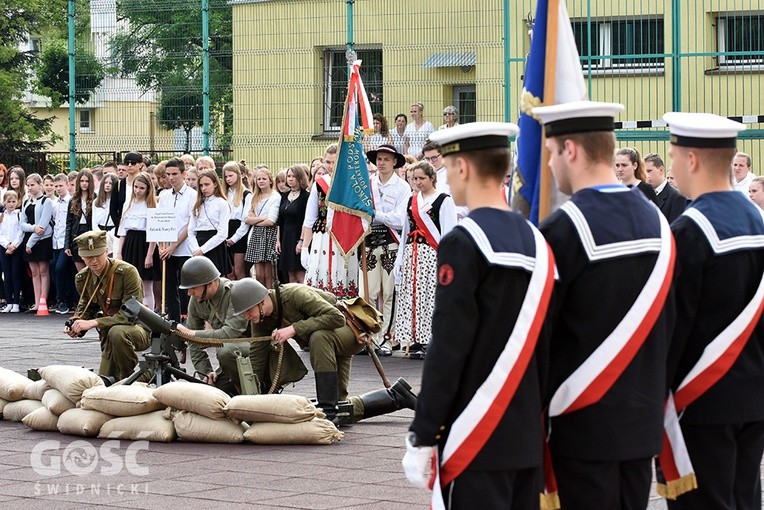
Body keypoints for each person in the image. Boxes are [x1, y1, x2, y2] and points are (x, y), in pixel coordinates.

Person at [402, 122, 554, 508]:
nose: (446, 177)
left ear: (464, 168)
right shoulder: (539, 240)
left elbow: (450, 345)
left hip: (477, 429)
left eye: (448, 167)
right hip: (527, 433)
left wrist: (424, 432)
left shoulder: (465, 241)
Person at [533, 101, 674, 509]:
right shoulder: (657, 220)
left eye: (552, 153)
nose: (551, 165)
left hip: (581, 420)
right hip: (643, 417)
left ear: (571, 151)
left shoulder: (563, 227)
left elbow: (541, 333)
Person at [660, 112, 764, 510]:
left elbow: (674, 326)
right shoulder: (753, 217)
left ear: (692, 160)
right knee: (743, 499)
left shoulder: (690, 230)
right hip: (751, 396)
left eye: (672, 156)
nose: (671, 167)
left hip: (703, 402)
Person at [229, 277, 365, 423]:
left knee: (319, 337)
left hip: (349, 332)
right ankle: (339, 408)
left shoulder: (293, 295)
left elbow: (337, 317)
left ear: (261, 301)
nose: (246, 316)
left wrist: (294, 328)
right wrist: (250, 400)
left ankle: (328, 411)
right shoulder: (261, 319)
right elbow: (258, 356)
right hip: (326, 346)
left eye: (248, 310)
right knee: (340, 404)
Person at [65, 230, 151, 381]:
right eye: (89, 257)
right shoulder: (82, 278)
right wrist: (76, 325)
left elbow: (131, 314)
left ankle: (132, 379)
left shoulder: (127, 272)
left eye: (98, 255)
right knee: (105, 380)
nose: (94, 261)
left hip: (139, 328)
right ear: (81, 256)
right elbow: (86, 308)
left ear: (107, 251)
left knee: (117, 333)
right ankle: (130, 380)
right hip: (109, 333)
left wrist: (94, 323)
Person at [393, 161, 457, 358]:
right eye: (414, 179)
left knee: (430, 297)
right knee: (413, 296)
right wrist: (400, 259)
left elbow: (449, 232)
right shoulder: (411, 201)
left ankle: (431, 339)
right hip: (413, 254)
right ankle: (415, 338)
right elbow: (405, 231)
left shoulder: (443, 200)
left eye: (422, 178)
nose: (418, 182)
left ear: (432, 178)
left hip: (432, 254)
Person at [174, 256, 250, 396]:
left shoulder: (233, 292)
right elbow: (194, 344)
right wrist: (206, 372)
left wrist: (193, 334)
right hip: (231, 361)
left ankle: (252, 390)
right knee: (213, 390)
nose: (189, 293)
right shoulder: (197, 299)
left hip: (253, 353)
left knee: (226, 351)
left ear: (209, 283)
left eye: (193, 288)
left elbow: (230, 334)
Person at [362, 144, 411, 354]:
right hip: (370, 243)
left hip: (392, 243)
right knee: (369, 292)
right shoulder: (368, 184)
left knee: (389, 292)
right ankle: (371, 335)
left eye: (386, 159)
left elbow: (400, 220)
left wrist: (376, 214)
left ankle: (387, 338)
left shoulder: (402, 187)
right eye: (379, 159)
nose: (381, 163)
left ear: (394, 162)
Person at [301, 144, 359, 298]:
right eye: (327, 162)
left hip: (344, 237)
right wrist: (305, 246)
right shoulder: (319, 184)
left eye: (334, 162)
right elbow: (310, 218)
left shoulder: (353, 182)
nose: (331, 166)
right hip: (322, 237)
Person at [157, 158, 197, 323]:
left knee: (186, 287)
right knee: (169, 288)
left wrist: (174, 246)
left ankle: (190, 321)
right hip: (166, 249)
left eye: (175, 174)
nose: (171, 178)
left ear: (184, 174)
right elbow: (159, 221)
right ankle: (173, 321)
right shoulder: (164, 195)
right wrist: (161, 245)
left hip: (184, 248)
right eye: (168, 174)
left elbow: (190, 224)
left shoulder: (192, 195)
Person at [116, 172, 160, 311]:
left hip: (145, 244)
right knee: (129, 284)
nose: (138, 190)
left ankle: (149, 318)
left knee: (146, 285)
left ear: (148, 188)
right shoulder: (128, 204)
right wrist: (119, 252)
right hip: (129, 244)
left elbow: (153, 232)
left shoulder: (152, 205)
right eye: (135, 187)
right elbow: (123, 230)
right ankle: (131, 316)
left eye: (141, 188)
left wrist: (149, 254)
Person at [20, 173, 54, 313]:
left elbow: (43, 225)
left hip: (42, 240)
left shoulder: (46, 201)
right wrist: (32, 228)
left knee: (43, 270)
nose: (30, 188)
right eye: (28, 185)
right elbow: (22, 223)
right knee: (34, 272)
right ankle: (35, 302)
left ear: (40, 185)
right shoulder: (26, 201)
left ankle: (43, 301)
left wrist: (31, 242)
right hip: (29, 238)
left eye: (32, 185)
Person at [188, 169, 231, 276]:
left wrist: (203, 250)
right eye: (201, 185)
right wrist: (196, 250)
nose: (204, 188)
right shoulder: (197, 204)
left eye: (207, 184)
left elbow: (222, 233)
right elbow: (191, 230)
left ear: (215, 184)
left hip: (214, 245)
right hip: (198, 243)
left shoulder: (222, 203)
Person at [244, 166, 280, 288]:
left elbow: (271, 221)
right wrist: (261, 218)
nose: (261, 181)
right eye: (258, 179)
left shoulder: (275, 196)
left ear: (270, 180)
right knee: (259, 274)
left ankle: (270, 297)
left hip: (269, 234)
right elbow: (247, 218)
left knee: (268, 274)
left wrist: (255, 220)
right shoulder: (255, 197)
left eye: (264, 178)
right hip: (257, 235)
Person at [277, 165, 310, 284]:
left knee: (300, 275)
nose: (290, 179)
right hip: (286, 238)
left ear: (300, 178)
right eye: (289, 176)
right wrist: (278, 241)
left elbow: (306, 221)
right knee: (290, 275)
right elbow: (280, 221)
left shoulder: (305, 197)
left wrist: (301, 241)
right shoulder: (284, 196)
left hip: (298, 237)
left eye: (294, 176)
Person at [221, 161, 252, 281]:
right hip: (226, 230)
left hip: (239, 234)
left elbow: (245, 221)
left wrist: (234, 239)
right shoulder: (224, 193)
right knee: (229, 272)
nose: (228, 179)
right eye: (226, 176)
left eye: (231, 176)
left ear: (239, 175)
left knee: (239, 271)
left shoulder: (246, 194)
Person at [51, 174, 76, 314]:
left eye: (61, 185)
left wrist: (68, 243)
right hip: (56, 241)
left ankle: (62, 299)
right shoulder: (55, 204)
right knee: (57, 269)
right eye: (56, 186)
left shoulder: (71, 202)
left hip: (66, 242)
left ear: (67, 185)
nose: (58, 188)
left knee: (60, 268)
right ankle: (63, 299)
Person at [65, 169, 95, 272]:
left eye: (87, 181)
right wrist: (67, 245)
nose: (84, 184)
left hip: (90, 234)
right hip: (76, 235)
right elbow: (69, 223)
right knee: (81, 272)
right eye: (82, 181)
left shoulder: (95, 199)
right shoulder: (73, 200)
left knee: (92, 269)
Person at [644, 152, 686, 222]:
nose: (646, 176)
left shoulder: (677, 197)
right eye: (644, 171)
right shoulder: (642, 194)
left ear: (661, 170)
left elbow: (675, 229)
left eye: (649, 171)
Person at [110, 151, 145, 235]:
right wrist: (119, 225)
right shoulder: (119, 184)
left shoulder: (146, 183)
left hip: (141, 229)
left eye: (133, 163)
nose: (129, 165)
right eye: (127, 163)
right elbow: (113, 209)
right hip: (122, 228)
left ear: (140, 165)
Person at [0, 191, 23, 313]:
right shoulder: (1, 216)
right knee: (7, 275)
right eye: (8, 202)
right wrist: (7, 245)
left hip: (16, 248)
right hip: (4, 248)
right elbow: (0, 233)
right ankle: (9, 302)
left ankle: (16, 303)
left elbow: (21, 232)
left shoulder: (19, 215)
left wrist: (14, 245)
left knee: (15, 274)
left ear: (17, 202)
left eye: (13, 201)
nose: (11, 204)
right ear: (4, 202)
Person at [92, 173, 118, 256]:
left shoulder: (118, 202)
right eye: (106, 183)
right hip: (99, 234)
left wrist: (109, 234)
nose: (107, 185)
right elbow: (94, 222)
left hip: (112, 234)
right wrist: (99, 234)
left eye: (110, 183)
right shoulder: (96, 202)